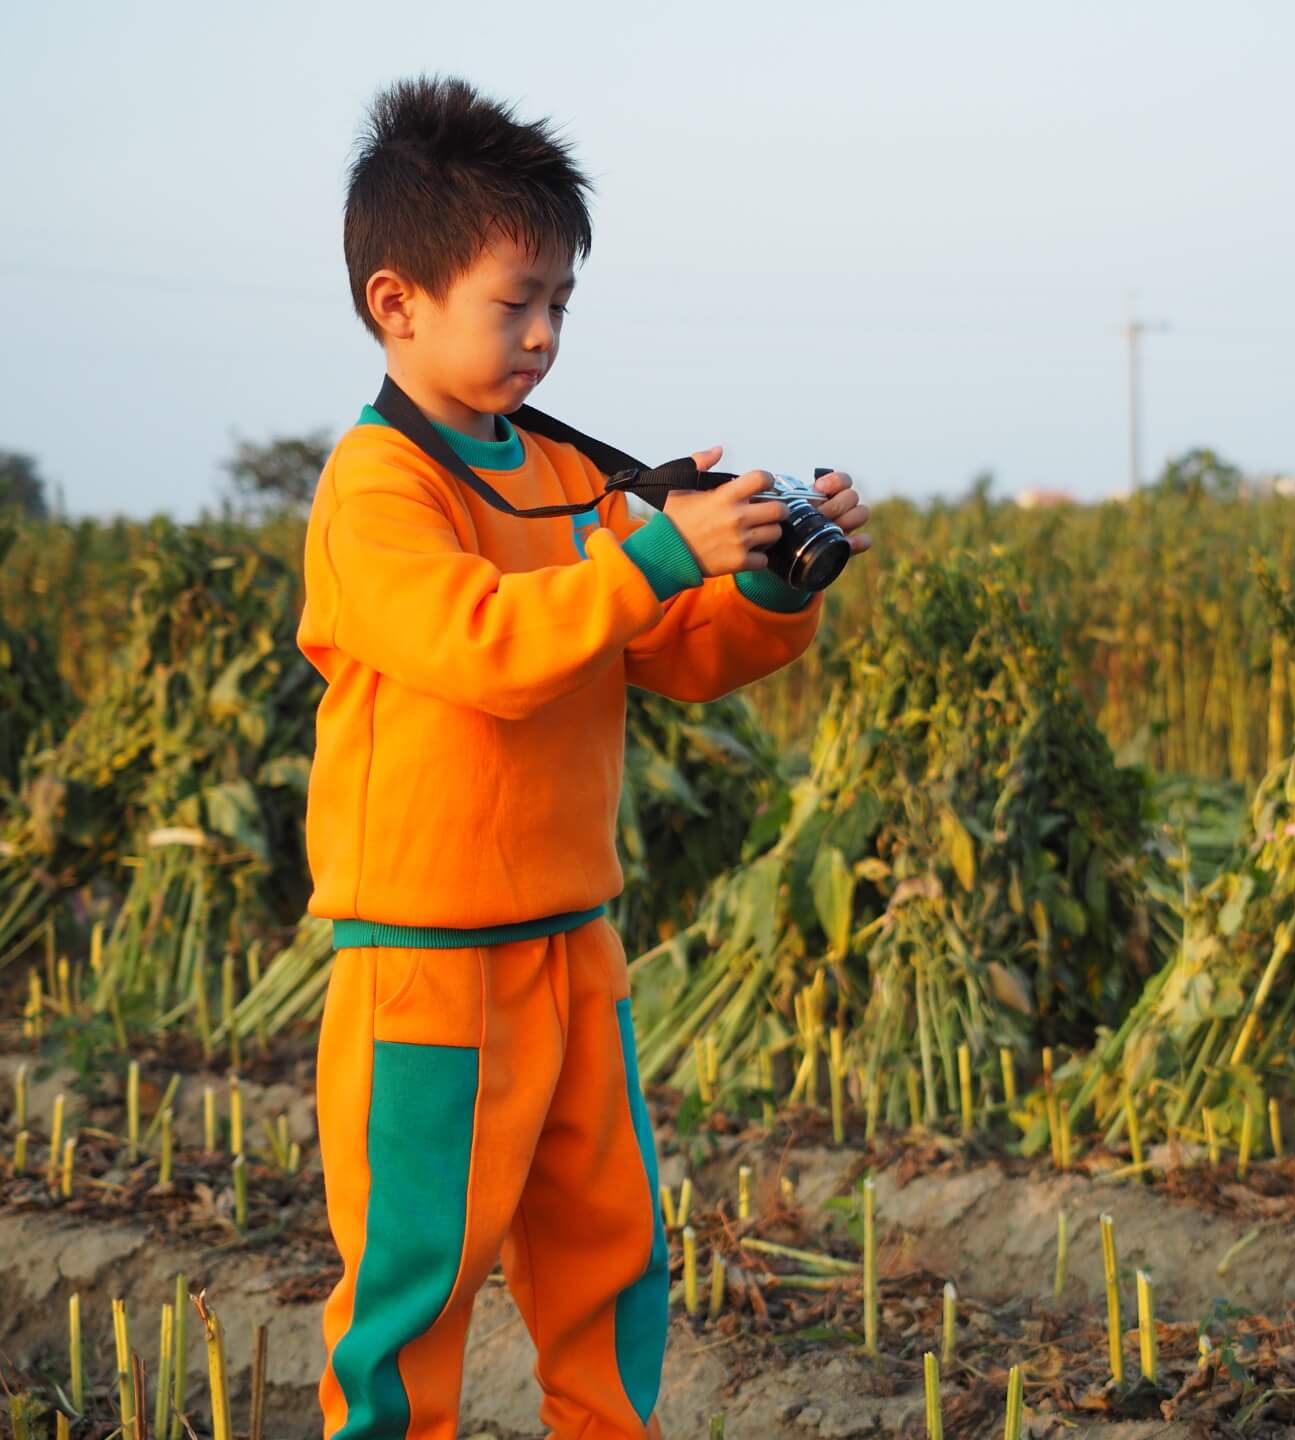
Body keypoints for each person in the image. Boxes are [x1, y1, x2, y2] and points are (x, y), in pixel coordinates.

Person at [296, 72, 872, 1440]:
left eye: (562, 302)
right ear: (399, 303)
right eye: (518, 303)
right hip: (424, 957)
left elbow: (673, 650)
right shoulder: (378, 488)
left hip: (572, 939)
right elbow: (481, 643)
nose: (546, 335)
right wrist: (659, 546)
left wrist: (769, 577)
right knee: (414, 1289)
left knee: (611, 1257)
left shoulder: (561, 472)